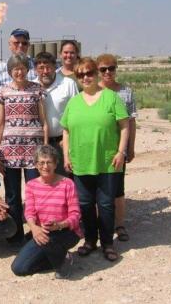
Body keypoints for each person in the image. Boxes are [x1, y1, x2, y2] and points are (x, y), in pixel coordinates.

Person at [61, 57, 129, 262]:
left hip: (107, 161)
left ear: (96, 74)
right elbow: (66, 130)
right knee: (85, 204)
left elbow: (125, 126)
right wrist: (66, 155)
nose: (85, 77)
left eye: (89, 73)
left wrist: (121, 152)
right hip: (81, 161)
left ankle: (107, 243)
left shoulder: (111, 97)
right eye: (80, 75)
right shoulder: (74, 102)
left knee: (106, 204)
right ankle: (90, 240)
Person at [0, 53, 49, 245]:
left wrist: (44, 149)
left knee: (34, 192)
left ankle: (37, 232)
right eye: (15, 68)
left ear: (27, 69)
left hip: (34, 150)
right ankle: (15, 233)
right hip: (10, 150)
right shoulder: (3, 91)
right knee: (12, 194)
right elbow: (0, 123)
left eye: (22, 68)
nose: (19, 72)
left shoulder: (37, 89)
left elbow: (44, 122)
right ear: (10, 71)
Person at [11, 145, 82, 279]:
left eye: (49, 162)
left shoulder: (67, 183)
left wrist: (60, 225)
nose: (45, 166)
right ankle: (61, 258)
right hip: (42, 232)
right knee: (19, 268)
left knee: (51, 239)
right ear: (36, 165)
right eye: (41, 163)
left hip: (66, 232)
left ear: (55, 164)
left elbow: (75, 214)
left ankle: (61, 261)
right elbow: (29, 212)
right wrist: (34, 228)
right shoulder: (31, 185)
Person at [97, 53, 137, 242]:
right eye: (103, 69)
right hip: (98, 148)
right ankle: (101, 225)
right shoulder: (92, 91)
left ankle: (119, 225)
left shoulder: (125, 92)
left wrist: (130, 147)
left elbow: (130, 122)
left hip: (117, 149)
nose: (107, 72)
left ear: (116, 69)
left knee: (117, 189)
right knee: (98, 189)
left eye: (111, 68)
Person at [34, 51, 79, 175]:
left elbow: (76, 114)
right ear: (35, 70)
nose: (45, 71)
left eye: (48, 67)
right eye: (41, 68)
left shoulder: (68, 84)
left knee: (64, 180)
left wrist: (69, 140)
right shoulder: (31, 86)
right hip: (39, 143)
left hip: (62, 142)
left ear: (55, 67)